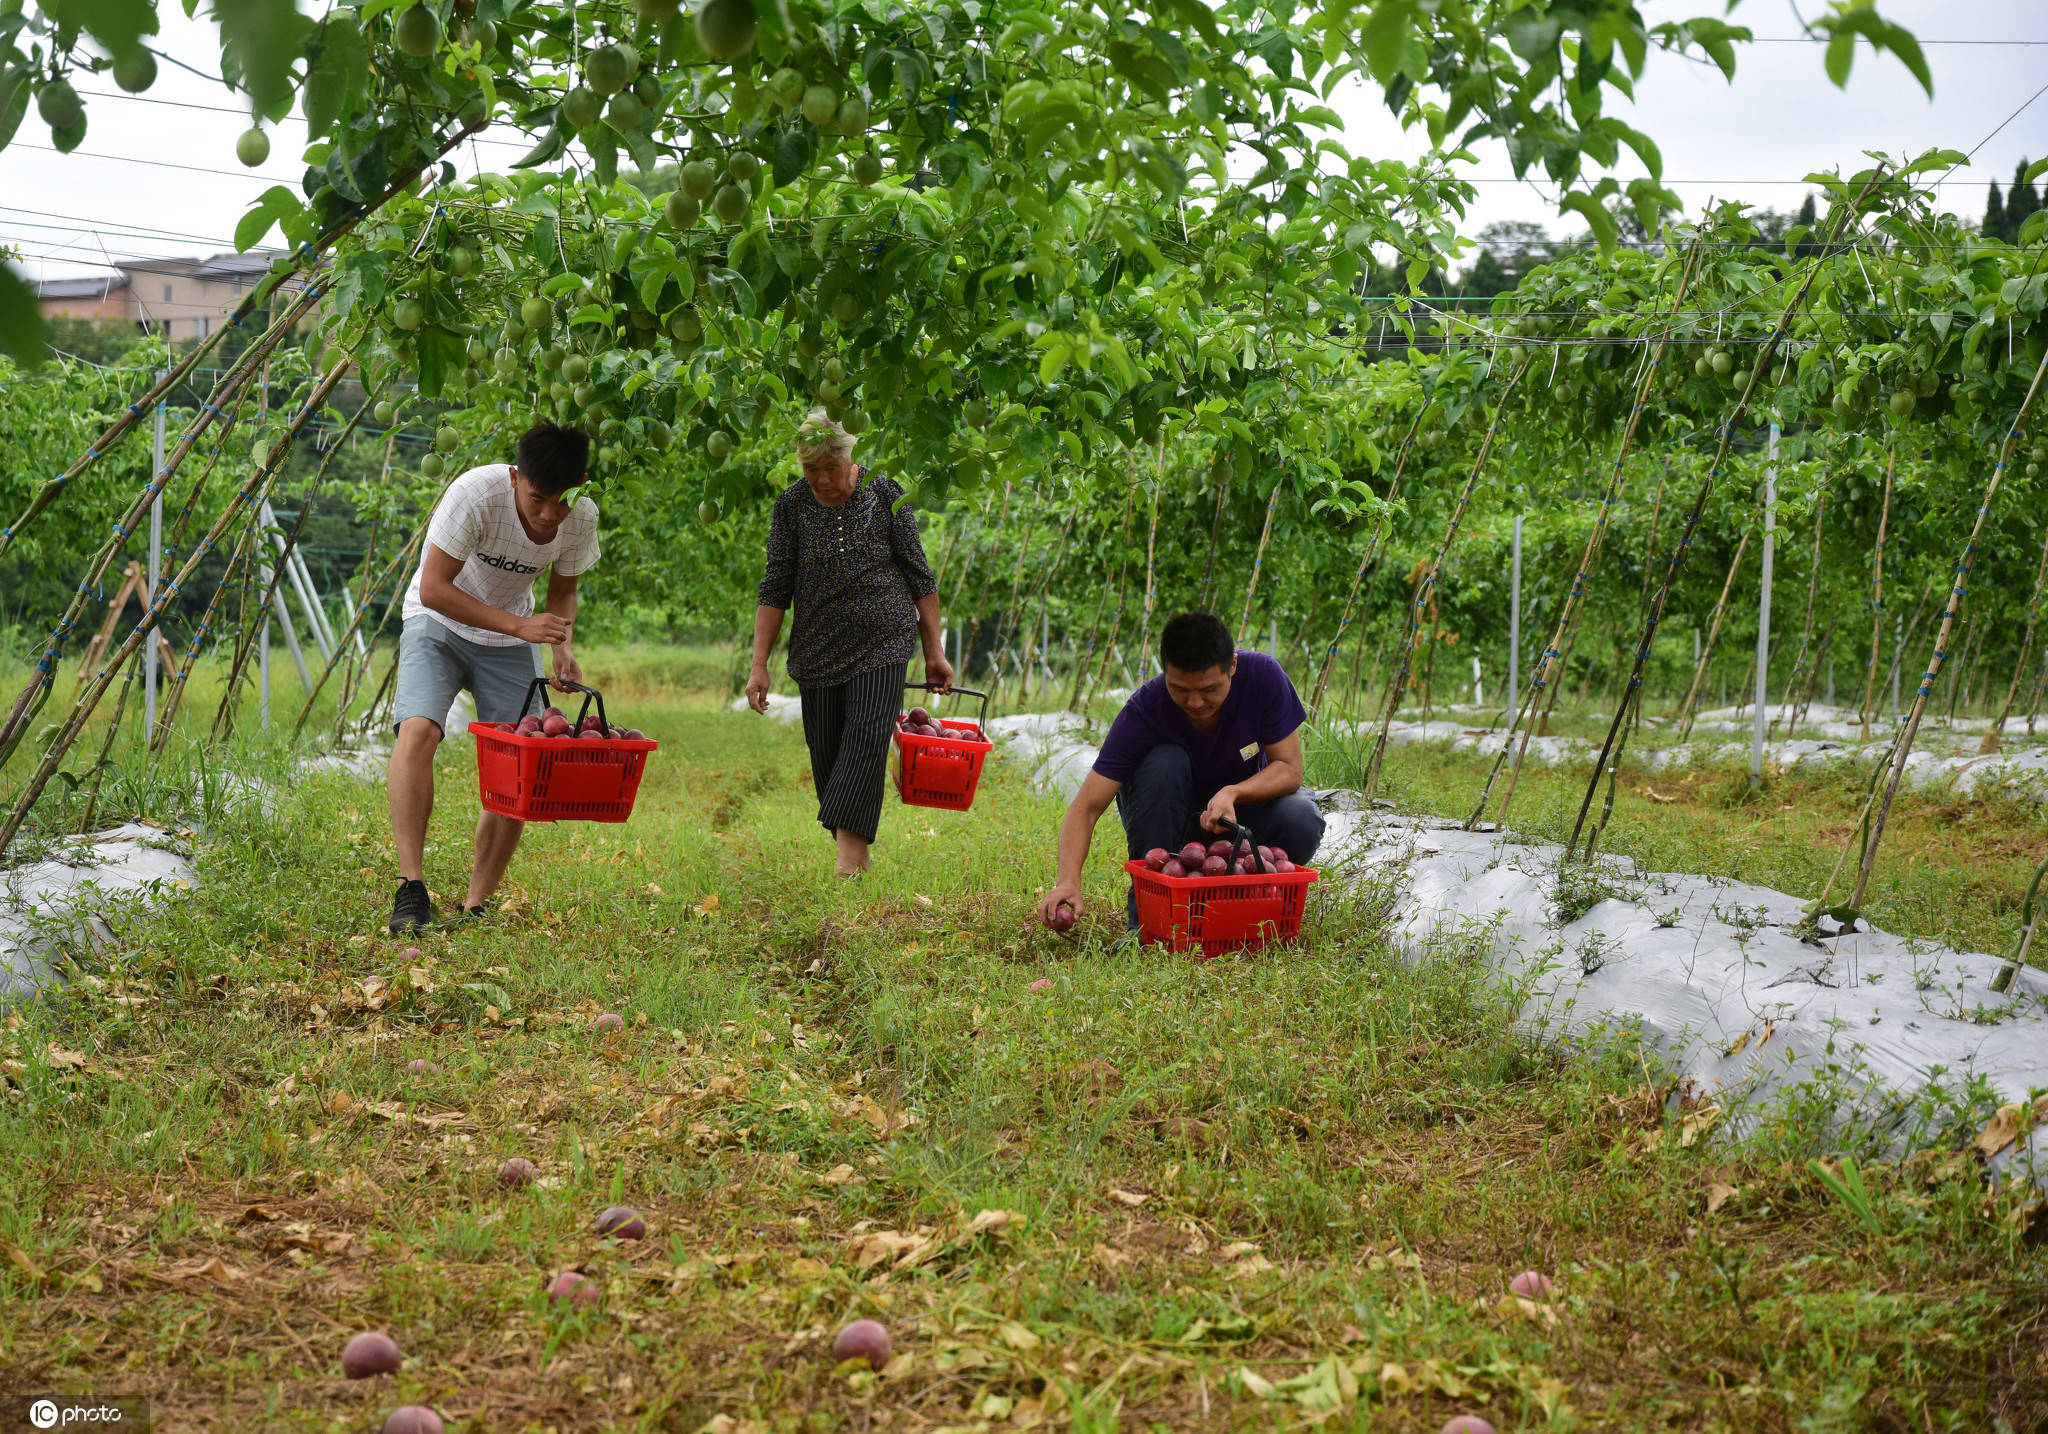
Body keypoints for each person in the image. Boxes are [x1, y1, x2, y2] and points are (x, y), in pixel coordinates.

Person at [385, 423, 600, 934]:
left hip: (509, 639)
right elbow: (435, 588)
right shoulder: (474, 494)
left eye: (562, 502)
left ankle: (476, 905)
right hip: (437, 622)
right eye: (537, 499)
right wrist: (519, 625)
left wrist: (561, 646)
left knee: (521, 764)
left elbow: (562, 591)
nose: (549, 515)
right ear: (514, 478)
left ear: (582, 486)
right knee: (419, 730)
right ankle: (411, 888)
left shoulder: (582, 517)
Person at [745, 410, 954, 876]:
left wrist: (934, 652)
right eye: (809, 470)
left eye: (829, 469)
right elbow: (775, 587)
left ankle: (849, 865)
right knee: (827, 755)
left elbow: (920, 576)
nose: (819, 479)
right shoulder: (792, 506)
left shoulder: (884, 492)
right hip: (816, 649)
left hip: (884, 640)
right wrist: (759, 665)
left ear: (849, 458)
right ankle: (852, 848)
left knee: (865, 740)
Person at [1035, 612, 1325, 929]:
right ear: (1166, 672)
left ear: (1233, 667)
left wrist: (1233, 793)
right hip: (1171, 828)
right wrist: (1067, 881)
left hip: (1240, 821)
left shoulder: (1263, 677)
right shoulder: (1145, 710)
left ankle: (1245, 911)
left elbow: (1289, 768)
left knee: (1301, 817)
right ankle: (1148, 923)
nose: (1196, 702)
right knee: (1165, 762)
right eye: (1181, 689)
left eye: (1209, 689)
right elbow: (1086, 807)